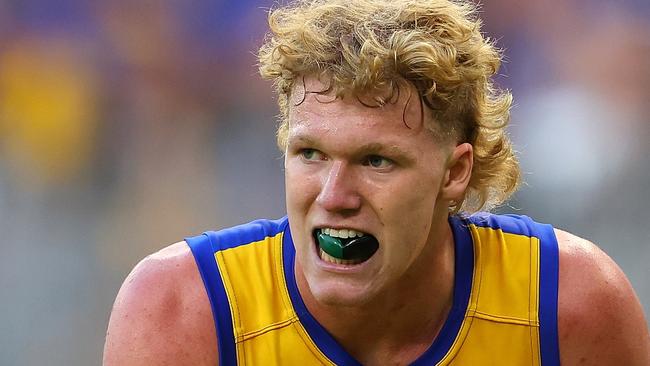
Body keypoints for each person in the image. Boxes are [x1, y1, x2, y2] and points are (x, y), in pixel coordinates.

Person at [103, 0, 650, 364]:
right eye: (310, 153)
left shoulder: (568, 307)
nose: (334, 196)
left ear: (455, 172)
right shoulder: (181, 311)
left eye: (376, 161)